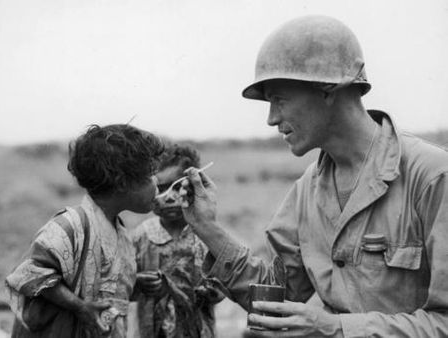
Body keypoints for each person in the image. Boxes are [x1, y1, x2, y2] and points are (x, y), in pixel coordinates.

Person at [178, 15, 448, 337]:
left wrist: (334, 329)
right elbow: (275, 296)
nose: (271, 118)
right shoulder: (307, 190)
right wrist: (206, 227)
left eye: (279, 99)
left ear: (328, 88)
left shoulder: (432, 177)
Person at [5, 124, 164, 338]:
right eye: (150, 174)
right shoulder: (71, 225)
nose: (157, 181)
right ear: (122, 182)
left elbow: (105, 286)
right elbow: (31, 272)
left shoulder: (119, 232)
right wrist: (80, 307)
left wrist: (135, 283)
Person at [130, 144, 226, 338]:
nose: (169, 198)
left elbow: (221, 289)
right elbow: (122, 286)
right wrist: (137, 283)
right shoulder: (141, 236)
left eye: (177, 187)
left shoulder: (206, 235)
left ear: (192, 186)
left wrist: (209, 293)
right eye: (160, 189)